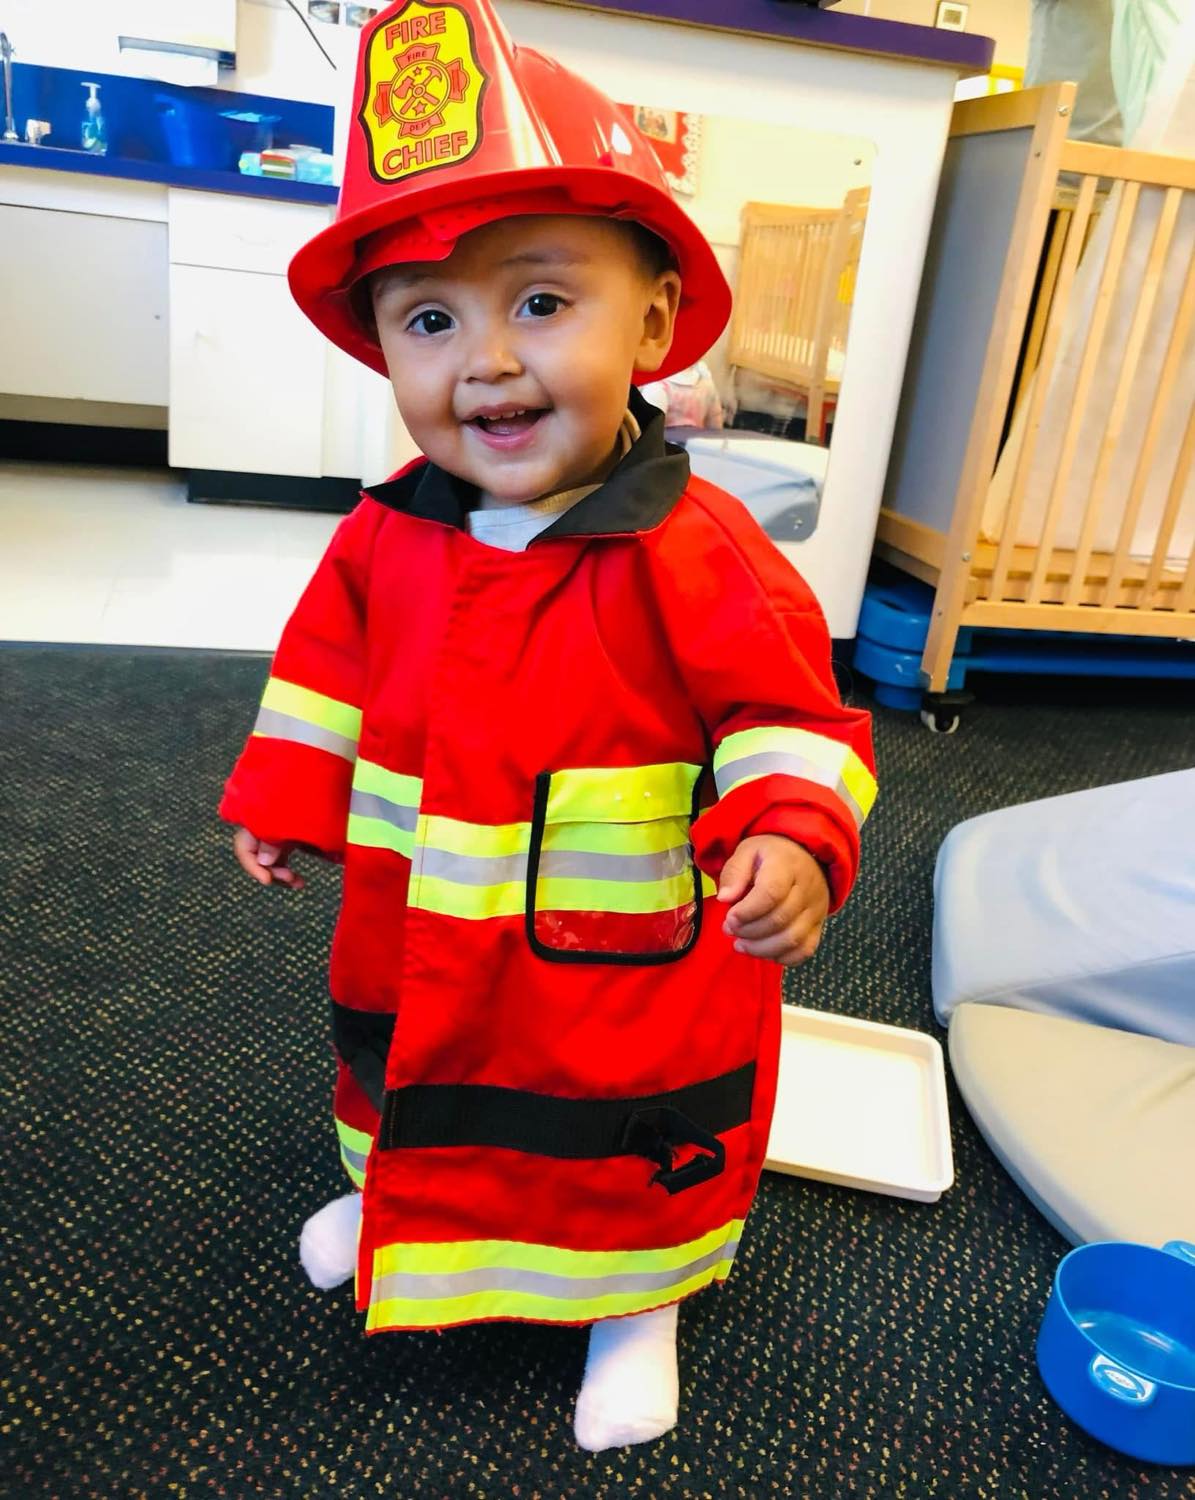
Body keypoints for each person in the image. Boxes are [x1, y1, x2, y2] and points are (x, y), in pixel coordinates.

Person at [220, 0, 875, 1455]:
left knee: (617, 1131)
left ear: (651, 325)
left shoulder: (700, 554)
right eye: (431, 321)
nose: (488, 363)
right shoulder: (385, 533)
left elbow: (793, 717)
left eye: (539, 303)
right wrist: (286, 787)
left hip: (617, 961)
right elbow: (324, 672)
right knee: (400, 1065)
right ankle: (401, 1203)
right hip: (415, 923)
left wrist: (792, 832)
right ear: (382, 349)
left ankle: (637, 1302)